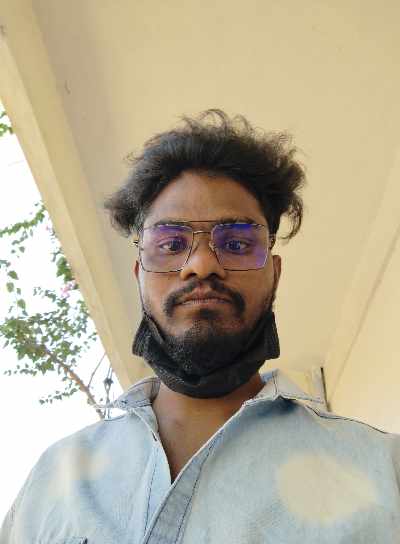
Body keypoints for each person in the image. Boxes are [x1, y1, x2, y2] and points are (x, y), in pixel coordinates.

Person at [1, 110, 399, 543]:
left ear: (275, 273)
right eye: (171, 244)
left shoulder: (385, 472)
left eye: (237, 243)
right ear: (139, 275)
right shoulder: (52, 480)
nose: (202, 264)